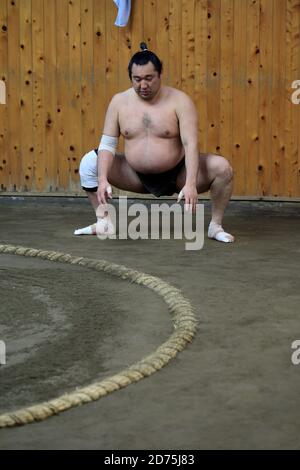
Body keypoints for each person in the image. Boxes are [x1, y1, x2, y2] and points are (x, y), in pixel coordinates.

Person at [75, 43, 234, 243]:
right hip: (134, 175)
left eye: (149, 78)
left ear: (160, 75)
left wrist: (191, 183)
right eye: (137, 79)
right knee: (89, 162)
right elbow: (107, 144)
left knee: (222, 168)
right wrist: (103, 180)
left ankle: (215, 226)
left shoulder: (180, 101)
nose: (143, 85)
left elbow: (190, 144)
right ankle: (104, 221)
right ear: (130, 78)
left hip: (178, 174)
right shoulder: (119, 102)